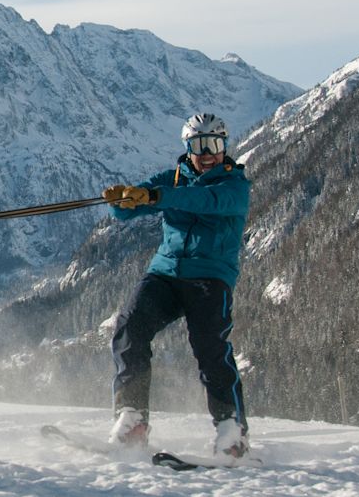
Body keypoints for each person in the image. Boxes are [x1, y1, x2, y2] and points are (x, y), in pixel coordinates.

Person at [102, 112, 251, 457]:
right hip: (166, 273)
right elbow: (129, 211)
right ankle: (132, 417)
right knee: (130, 328)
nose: (207, 152)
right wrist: (123, 201)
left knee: (209, 347)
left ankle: (232, 429)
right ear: (188, 148)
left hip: (210, 276)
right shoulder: (173, 178)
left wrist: (156, 197)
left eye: (214, 144)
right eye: (199, 145)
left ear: (225, 146)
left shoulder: (233, 185)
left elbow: (204, 201)